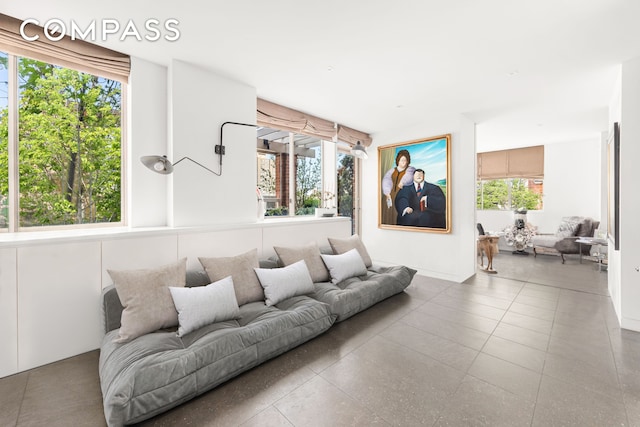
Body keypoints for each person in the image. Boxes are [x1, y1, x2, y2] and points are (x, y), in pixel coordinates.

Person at [381, 149, 415, 225]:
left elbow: (409, 177)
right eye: (401, 160)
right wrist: (387, 192)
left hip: (401, 197)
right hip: (389, 196)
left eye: (405, 160)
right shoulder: (392, 170)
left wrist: (403, 182)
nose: (403, 162)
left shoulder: (410, 170)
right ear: (398, 160)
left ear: (407, 161)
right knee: (387, 215)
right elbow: (386, 180)